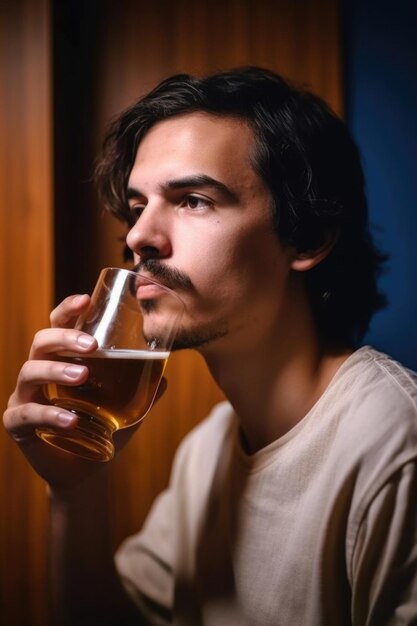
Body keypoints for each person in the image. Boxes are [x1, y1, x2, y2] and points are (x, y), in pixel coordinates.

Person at [4, 67, 417, 625]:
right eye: (136, 207)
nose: (138, 237)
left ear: (309, 236)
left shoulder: (395, 446)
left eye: (194, 199)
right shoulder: (208, 450)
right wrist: (75, 491)